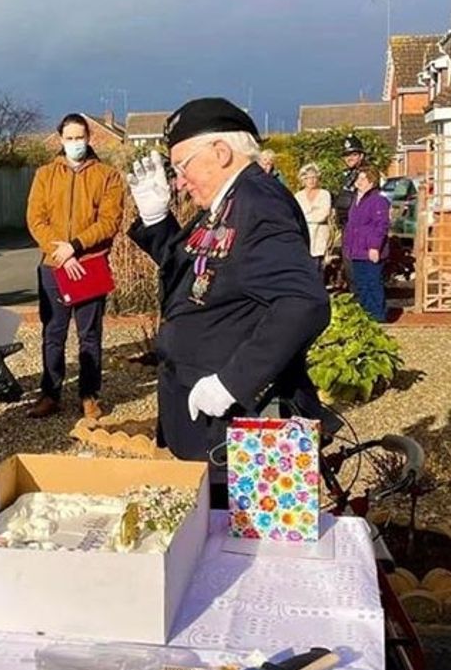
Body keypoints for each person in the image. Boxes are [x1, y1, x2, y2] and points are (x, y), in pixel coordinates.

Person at [126, 98, 331, 497]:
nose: (179, 182)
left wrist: (231, 383)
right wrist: (156, 220)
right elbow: (196, 274)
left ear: (220, 152)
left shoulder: (259, 203)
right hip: (213, 423)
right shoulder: (230, 203)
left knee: (248, 549)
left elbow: (303, 303)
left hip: (245, 423)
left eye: (182, 166)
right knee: (216, 539)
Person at [24, 113, 124, 420]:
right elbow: (36, 219)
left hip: (89, 264)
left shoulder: (108, 176)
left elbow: (109, 222)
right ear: (60, 140)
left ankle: (89, 395)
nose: (75, 143)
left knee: (89, 335)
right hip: (53, 266)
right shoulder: (44, 174)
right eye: (69, 138)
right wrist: (61, 254)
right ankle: (50, 393)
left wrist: (76, 247)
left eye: (79, 137)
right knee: (53, 333)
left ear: (89, 138)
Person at [343, 164, 391, 322]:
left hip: (370, 250)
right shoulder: (356, 200)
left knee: (372, 283)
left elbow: (381, 226)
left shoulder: (378, 200)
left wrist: (374, 247)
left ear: (372, 182)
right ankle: (366, 315)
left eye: (364, 178)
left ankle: (377, 316)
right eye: (359, 178)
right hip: (356, 250)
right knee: (361, 284)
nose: (360, 181)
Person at [332, 135, 366, 285]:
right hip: (347, 226)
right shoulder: (347, 175)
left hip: (360, 227)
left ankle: (366, 306)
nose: (349, 158)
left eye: (353, 154)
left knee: (360, 270)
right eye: (347, 155)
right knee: (350, 268)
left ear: (361, 155)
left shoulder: (367, 174)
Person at [294, 162, 333, 275]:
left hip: (320, 237)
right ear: (303, 179)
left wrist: (306, 215)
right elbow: (297, 215)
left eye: (314, 177)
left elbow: (323, 215)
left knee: (318, 268)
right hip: (304, 236)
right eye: (308, 178)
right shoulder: (298, 196)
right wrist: (312, 213)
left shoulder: (324, 194)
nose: (311, 180)